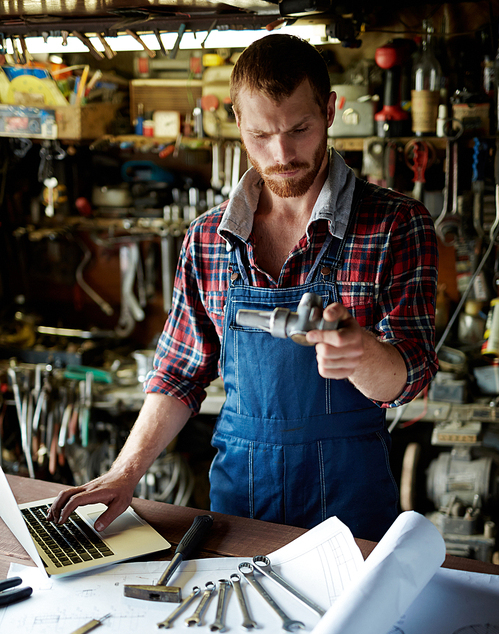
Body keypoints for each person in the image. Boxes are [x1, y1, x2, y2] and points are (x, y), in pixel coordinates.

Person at [48, 34, 438, 542]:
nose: (282, 154)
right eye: (261, 135)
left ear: (330, 110)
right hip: (240, 508)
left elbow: (412, 376)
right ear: (237, 122)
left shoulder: (395, 224)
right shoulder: (209, 238)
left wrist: (361, 354)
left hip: (352, 515)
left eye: (299, 129)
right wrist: (125, 473)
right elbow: (177, 374)